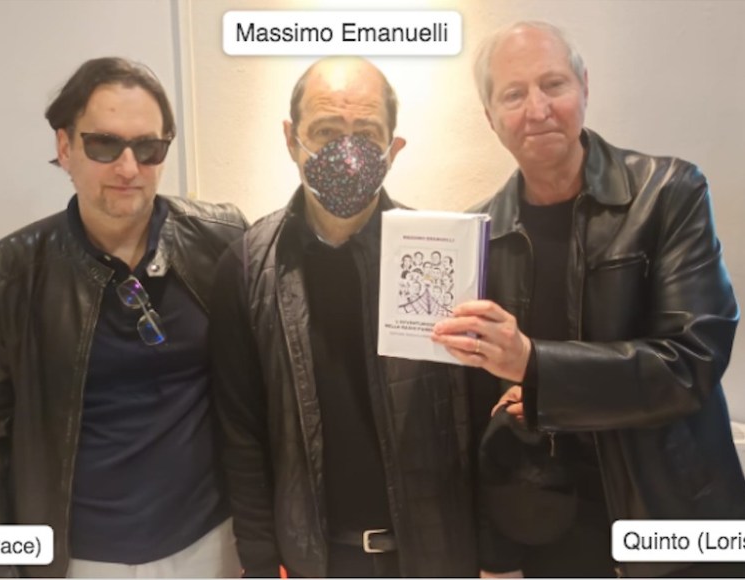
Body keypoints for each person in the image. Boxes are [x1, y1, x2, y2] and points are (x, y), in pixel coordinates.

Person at [431, 20, 745, 578]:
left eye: (553, 84)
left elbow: (690, 363)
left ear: (584, 87)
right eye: (513, 94)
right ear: (490, 117)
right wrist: (496, 556)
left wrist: (535, 366)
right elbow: (477, 411)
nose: (537, 109)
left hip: (678, 521)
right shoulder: (477, 236)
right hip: (547, 527)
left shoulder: (669, 192)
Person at [0, 57, 246, 578]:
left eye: (148, 148)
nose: (128, 168)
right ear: (65, 148)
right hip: (76, 559)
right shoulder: (6, 275)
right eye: (104, 145)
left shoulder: (222, 240)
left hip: (211, 545)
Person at [210, 57, 488, 578]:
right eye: (325, 132)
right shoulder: (246, 266)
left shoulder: (441, 256)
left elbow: (472, 414)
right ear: (291, 139)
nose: (347, 152)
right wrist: (260, 563)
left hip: (433, 559)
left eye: (366, 134)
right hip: (315, 562)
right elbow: (241, 434)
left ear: (393, 149)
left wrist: (491, 555)